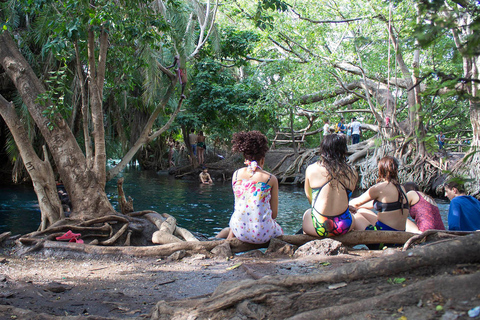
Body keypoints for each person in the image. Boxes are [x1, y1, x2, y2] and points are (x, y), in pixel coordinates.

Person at [216, 131, 283, 244]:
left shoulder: (236, 175)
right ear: (262, 159)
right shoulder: (270, 179)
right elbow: (274, 214)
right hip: (262, 235)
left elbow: (238, 205)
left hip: (239, 230)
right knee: (279, 230)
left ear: (245, 156)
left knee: (237, 217)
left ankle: (225, 239)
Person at [302, 134, 358, 237]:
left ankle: (308, 247)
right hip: (344, 226)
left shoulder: (312, 169)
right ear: (343, 150)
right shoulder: (353, 172)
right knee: (354, 215)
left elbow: (311, 199)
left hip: (319, 227)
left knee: (308, 213)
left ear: (323, 150)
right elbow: (346, 197)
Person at [349, 156, 409, 232]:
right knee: (361, 210)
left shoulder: (379, 188)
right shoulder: (401, 188)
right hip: (400, 235)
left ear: (380, 171)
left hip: (382, 238)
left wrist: (348, 207)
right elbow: (372, 204)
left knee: (351, 213)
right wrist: (357, 208)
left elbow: (356, 202)